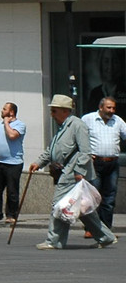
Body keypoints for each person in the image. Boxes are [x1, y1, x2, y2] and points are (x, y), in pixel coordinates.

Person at [31, 94, 116, 250]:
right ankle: (105, 237)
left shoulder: (77, 125)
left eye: (54, 111)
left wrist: (79, 171)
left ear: (65, 111)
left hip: (72, 173)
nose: (52, 114)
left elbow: (85, 151)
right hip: (66, 172)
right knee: (83, 208)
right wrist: (38, 162)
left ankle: (54, 241)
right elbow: (52, 150)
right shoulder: (63, 127)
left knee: (58, 204)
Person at [81, 95, 126, 230]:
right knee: (93, 197)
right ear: (101, 107)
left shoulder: (117, 121)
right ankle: (91, 228)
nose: (112, 110)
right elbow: (78, 137)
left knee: (109, 198)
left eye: (113, 108)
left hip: (112, 164)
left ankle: (106, 230)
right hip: (94, 163)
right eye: (109, 107)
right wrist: (85, 155)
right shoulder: (87, 119)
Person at [0, 101, 26, 224]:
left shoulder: (20, 125)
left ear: (11, 112)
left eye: (4, 109)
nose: (2, 111)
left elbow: (12, 135)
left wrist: (7, 123)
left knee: (12, 191)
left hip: (13, 163)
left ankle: (11, 215)